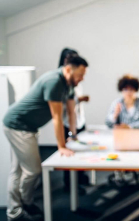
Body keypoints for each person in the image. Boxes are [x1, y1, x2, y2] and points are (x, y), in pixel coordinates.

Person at [3, 55, 88, 221]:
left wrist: (73, 135)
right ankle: (22, 206)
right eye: (80, 74)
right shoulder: (54, 81)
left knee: (18, 170)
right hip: (18, 125)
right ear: (69, 69)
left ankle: (15, 209)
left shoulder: (68, 84)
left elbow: (70, 112)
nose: (82, 78)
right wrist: (61, 146)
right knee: (32, 170)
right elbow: (56, 117)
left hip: (26, 127)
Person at [58, 48, 90, 194]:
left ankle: (79, 179)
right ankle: (69, 185)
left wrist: (74, 131)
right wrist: (71, 132)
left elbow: (73, 111)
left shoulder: (73, 83)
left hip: (77, 122)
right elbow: (66, 111)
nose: (82, 78)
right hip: (69, 123)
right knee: (69, 153)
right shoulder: (60, 82)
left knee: (79, 152)